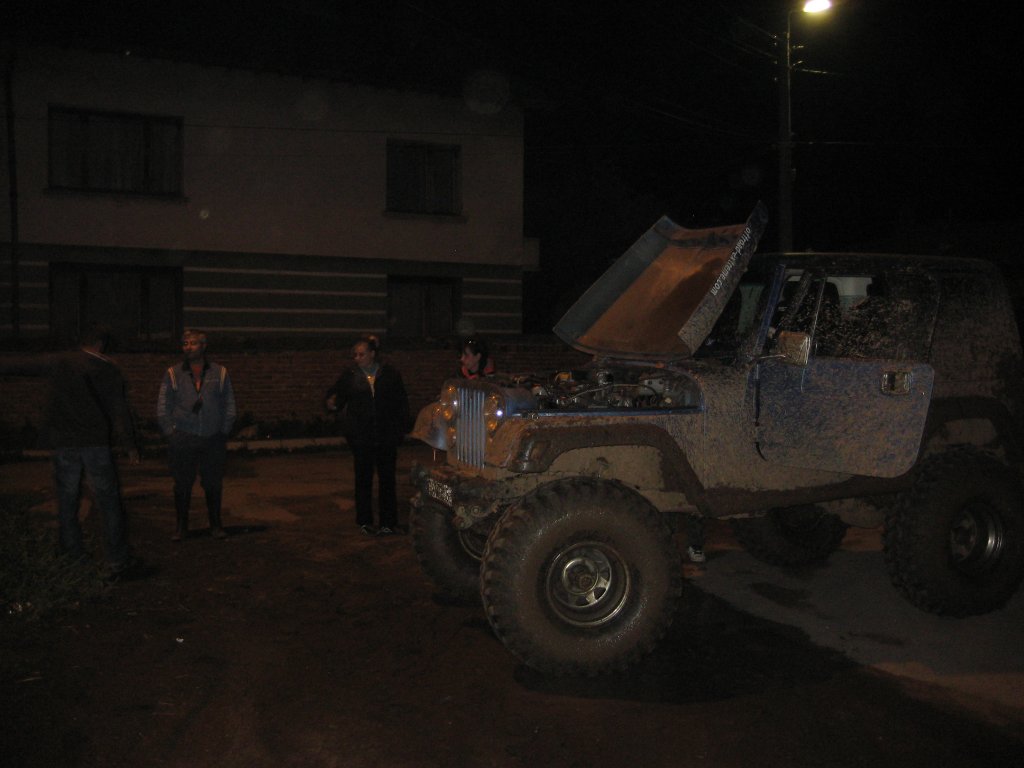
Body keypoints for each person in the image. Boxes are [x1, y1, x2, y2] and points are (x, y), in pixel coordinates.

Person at [0, 324, 141, 577]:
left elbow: (19, 364)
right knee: (108, 502)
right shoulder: (108, 368)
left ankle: (73, 559)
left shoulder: (60, 361)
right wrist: (129, 444)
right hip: (95, 443)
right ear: (101, 343)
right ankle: (117, 560)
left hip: (65, 442)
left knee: (67, 502)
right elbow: (119, 409)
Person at [326, 335, 410, 536]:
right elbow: (336, 397)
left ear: (372, 354)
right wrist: (331, 404)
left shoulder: (389, 374)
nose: (357, 358)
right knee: (363, 480)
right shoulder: (350, 376)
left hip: (385, 435)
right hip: (361, 437)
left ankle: (388, 522)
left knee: (387, 480)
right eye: (355, 355)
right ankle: (365, 522)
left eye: (362, 354)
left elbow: (401, 402)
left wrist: (400, 429)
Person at [157, 329, 237, 541]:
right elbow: (163, 406)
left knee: (213, 483)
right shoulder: (173, 373)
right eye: (185, 343)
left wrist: (223, 431)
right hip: (184, 437)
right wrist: (171, 433)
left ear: (204, 345)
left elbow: (229, 404)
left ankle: (216, 525)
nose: (188, 347)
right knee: (182, 484)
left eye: (192, 343)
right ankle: (181, 527)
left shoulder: (219, 372)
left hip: (212, 437)